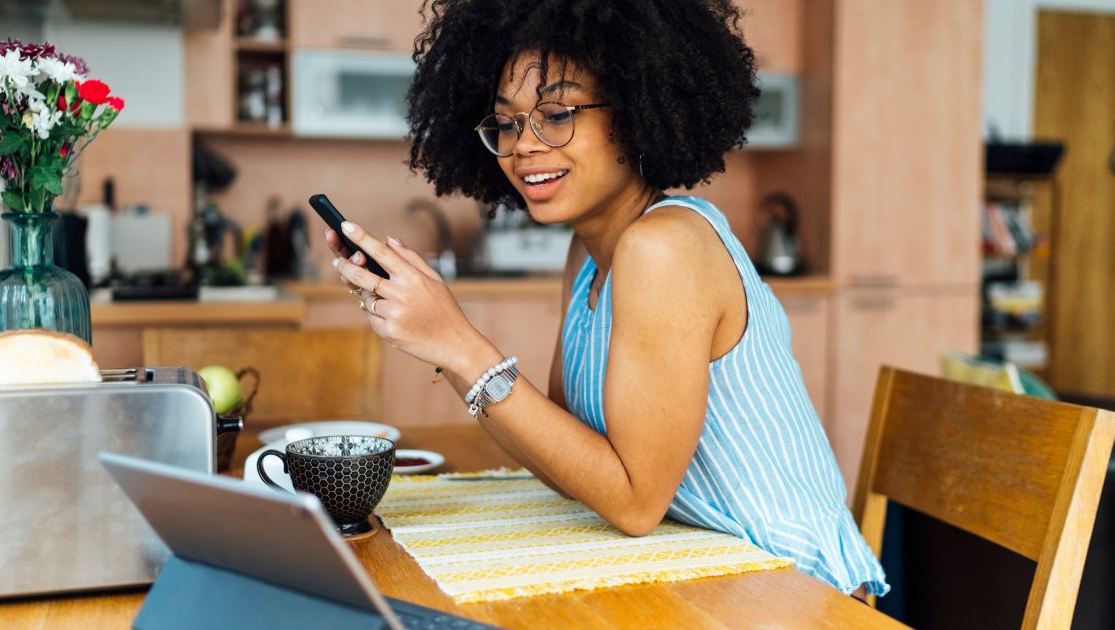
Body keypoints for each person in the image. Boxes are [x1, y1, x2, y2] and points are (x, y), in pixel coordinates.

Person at [324, 0, 888, 598]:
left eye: (559, 113)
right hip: (707, 563)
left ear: (637, 112)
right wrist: (441, 344)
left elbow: (635, 502)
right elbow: (572, 469)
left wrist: (462, 346)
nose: (524, 146)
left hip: (798, 586)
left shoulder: (664, 246)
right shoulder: (589, 252)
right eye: (509, 123)